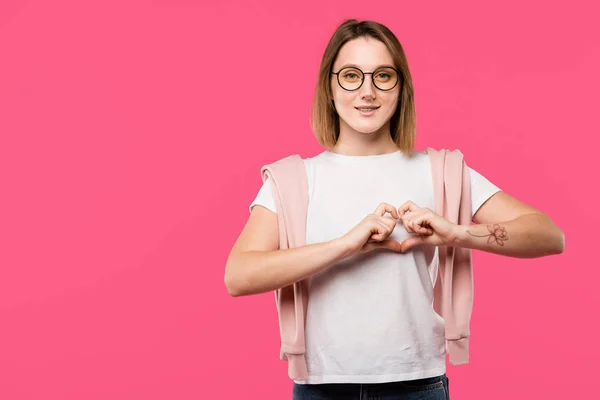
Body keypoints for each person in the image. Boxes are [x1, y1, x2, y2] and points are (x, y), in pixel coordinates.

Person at [224, 19, 565, 400]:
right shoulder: (293, 180)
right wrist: (346, 245)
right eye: (351, 75)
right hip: (321, 388)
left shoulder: (441, 172)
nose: (367, 92)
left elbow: (548, 235)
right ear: (329, 85)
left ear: (401, 88)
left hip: (418, 386)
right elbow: (238, 275)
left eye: (383, 76)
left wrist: (456, 233)